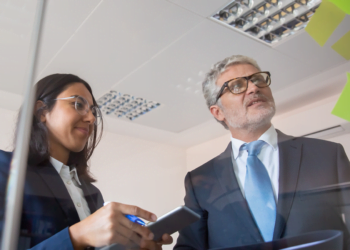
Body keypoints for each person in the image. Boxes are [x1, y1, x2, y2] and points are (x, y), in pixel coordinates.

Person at [174, 55, 350, 250]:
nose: (254, 88)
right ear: (218, 112)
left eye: (257, 79)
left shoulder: (327, 155)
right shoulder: (199, 181)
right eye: (237, 86)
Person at [0, 74, 172, 250]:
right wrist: (78, 235)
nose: (91, 118)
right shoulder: (6, 169)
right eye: (78, 104)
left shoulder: (92, 194)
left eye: (92, 110)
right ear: (42, 111)